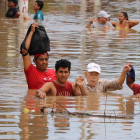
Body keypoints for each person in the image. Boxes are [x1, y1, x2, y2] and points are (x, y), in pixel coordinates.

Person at [21, 22, 56, 89]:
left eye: (46, 59)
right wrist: (31, 32)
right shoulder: (30, 71)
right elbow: (24, 50)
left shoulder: (55, 73)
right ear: (34, 61)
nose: (44, 62)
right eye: (41, 59)